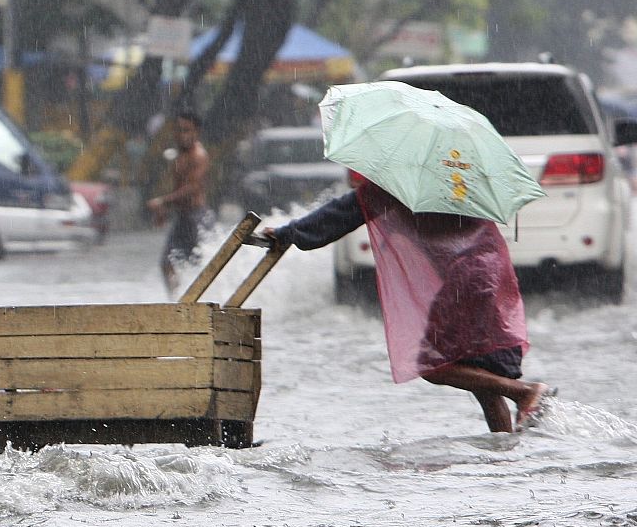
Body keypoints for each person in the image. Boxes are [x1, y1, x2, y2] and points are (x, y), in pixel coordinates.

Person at [259, 182, 551, 433]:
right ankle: (505, 455)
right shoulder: (454, 176)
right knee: (480, 374)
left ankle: (525, 393)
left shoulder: (399, 183)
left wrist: (289, 233)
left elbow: (343, 212)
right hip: (492, 269)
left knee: (432, 365)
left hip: (466, 279)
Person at [147, 112, 213, 294]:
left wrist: (163, 201)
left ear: (196, 132)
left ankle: (205, 300)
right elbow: (179, 188)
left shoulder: (198, 156)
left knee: (204, 264)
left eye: (186, 130)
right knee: (167, 263)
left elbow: (192, 188)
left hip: (197, 218)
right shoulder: (178, 156)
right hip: (183, 217)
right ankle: (177, 302)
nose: (181, 135)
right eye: (178, 130)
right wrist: (164, 210)